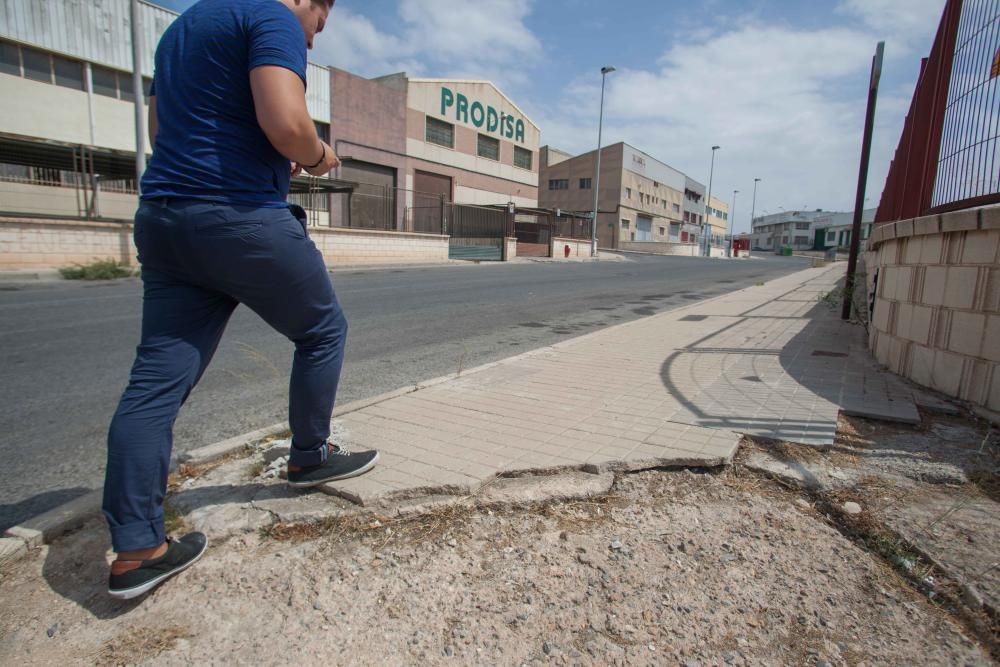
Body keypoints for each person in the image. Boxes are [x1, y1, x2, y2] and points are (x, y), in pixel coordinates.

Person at [102, 0, 378, 600]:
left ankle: (138, 548)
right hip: (239, 215)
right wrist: (319, 158)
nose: (315, 35)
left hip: (165, 220)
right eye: (321, 22)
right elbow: (285, 122)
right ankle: (309, 455)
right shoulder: (271, 17)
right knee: (322, 330)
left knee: (155, 382)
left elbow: (159, 129)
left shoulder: (181, 30)